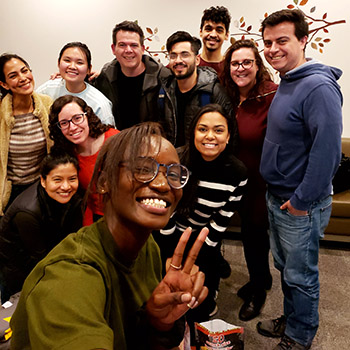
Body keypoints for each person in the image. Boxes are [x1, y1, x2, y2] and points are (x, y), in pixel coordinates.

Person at [10, 122, 209, 350]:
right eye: (143, 169)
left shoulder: (148, 247)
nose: (164, 184)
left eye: (174, 173)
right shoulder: (69, 275)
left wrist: (159, 322)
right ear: (103, 182)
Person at [256, 9, 343, 350]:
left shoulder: (318, 87)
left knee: (300, 275)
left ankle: (300, 335)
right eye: (268, 42)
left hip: (299, 205)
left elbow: (327, 154)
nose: (273, 49)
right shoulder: (289, 80)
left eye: (282, 41)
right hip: (278, 196)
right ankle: (292, 320)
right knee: (285, 267)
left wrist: (302, 201)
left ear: (303, 40)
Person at [154, 104, 247, 337]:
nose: (210, 136)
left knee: (199, 304)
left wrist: (199, 255)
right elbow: (165, 208)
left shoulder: (238, 172)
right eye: (202, 129)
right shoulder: (176, 159)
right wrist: (173, 253)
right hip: (169, 233)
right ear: (193, 133)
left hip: (204, 238)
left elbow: (222, 219)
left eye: (218, 130)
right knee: (164, 297)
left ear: (228, 135)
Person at [221, 39, 278, 321]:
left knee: (256, 237)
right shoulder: (229, 96)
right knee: (247, 234)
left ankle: (259, 290)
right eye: (235, 63)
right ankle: (261, 278)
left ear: (258, 65)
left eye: (247, 62)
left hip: (261, 182)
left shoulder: (272, 96)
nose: (240, 68)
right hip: (237, 181)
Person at [0, 151, 83, 303]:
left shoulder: (74, 197)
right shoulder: (27, 212)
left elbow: (75, 240)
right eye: (57, 180)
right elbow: (41, 259)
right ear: (43, 181)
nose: (66, 186)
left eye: (72, 179)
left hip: (50, 259)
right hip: (21, 270)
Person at [159, 31, 238, 150]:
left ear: (197, 60)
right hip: (172, 163)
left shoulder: (213, 91)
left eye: (184, 55)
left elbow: (231, 134)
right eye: (173, 56)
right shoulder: (164, 91)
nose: (178, 60)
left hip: (205, 163)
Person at [49, 95, 119, 225]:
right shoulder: (67, 154)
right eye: (64, 123)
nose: (73, 127)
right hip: (95, 219)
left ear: (87, 116)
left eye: (77, 118)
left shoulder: (114, 140)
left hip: (124, 213)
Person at [0, 53, 52, 216]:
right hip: (10, 190)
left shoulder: (47, 104)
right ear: (4, 84)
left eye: (25, 71)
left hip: (42, 186)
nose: (23, 78)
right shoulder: (1, 115)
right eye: (13, 76)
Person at [93, 20, 169, 129]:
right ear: (113, 49)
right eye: (122, 45)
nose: (128, 50)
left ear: (142, 49)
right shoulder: (105, 77)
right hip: (117, 142)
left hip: (152, 142)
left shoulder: (163, 77)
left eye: (134, 45)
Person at [37, 42, 115, 126]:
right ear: (58, 63)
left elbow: (110, 136)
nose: (72, 66)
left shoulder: (99, 104)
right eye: (67, 60)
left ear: (89, 69)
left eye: (79, 62)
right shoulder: (47, 89)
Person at [199, 6, 231, 75]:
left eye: (219, 30)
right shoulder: (191, 64)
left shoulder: (231, 68)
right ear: (201, 32)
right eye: (208, 29)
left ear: (226, 35)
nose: (213, 35)